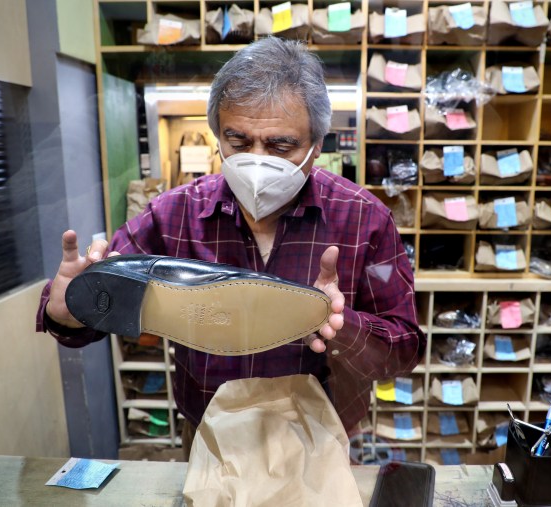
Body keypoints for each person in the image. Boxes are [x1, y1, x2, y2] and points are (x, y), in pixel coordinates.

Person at [36, 37, 424, 458]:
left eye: (280, 146)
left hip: (319, 445)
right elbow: (102, 300)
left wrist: (341, 324)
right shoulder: (172, 215)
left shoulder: (364, 219)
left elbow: (402, 352)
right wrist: (70, 312)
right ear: (217, 135)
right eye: (238, 141)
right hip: (210, 441)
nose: (257, 161)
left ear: (317, 145)